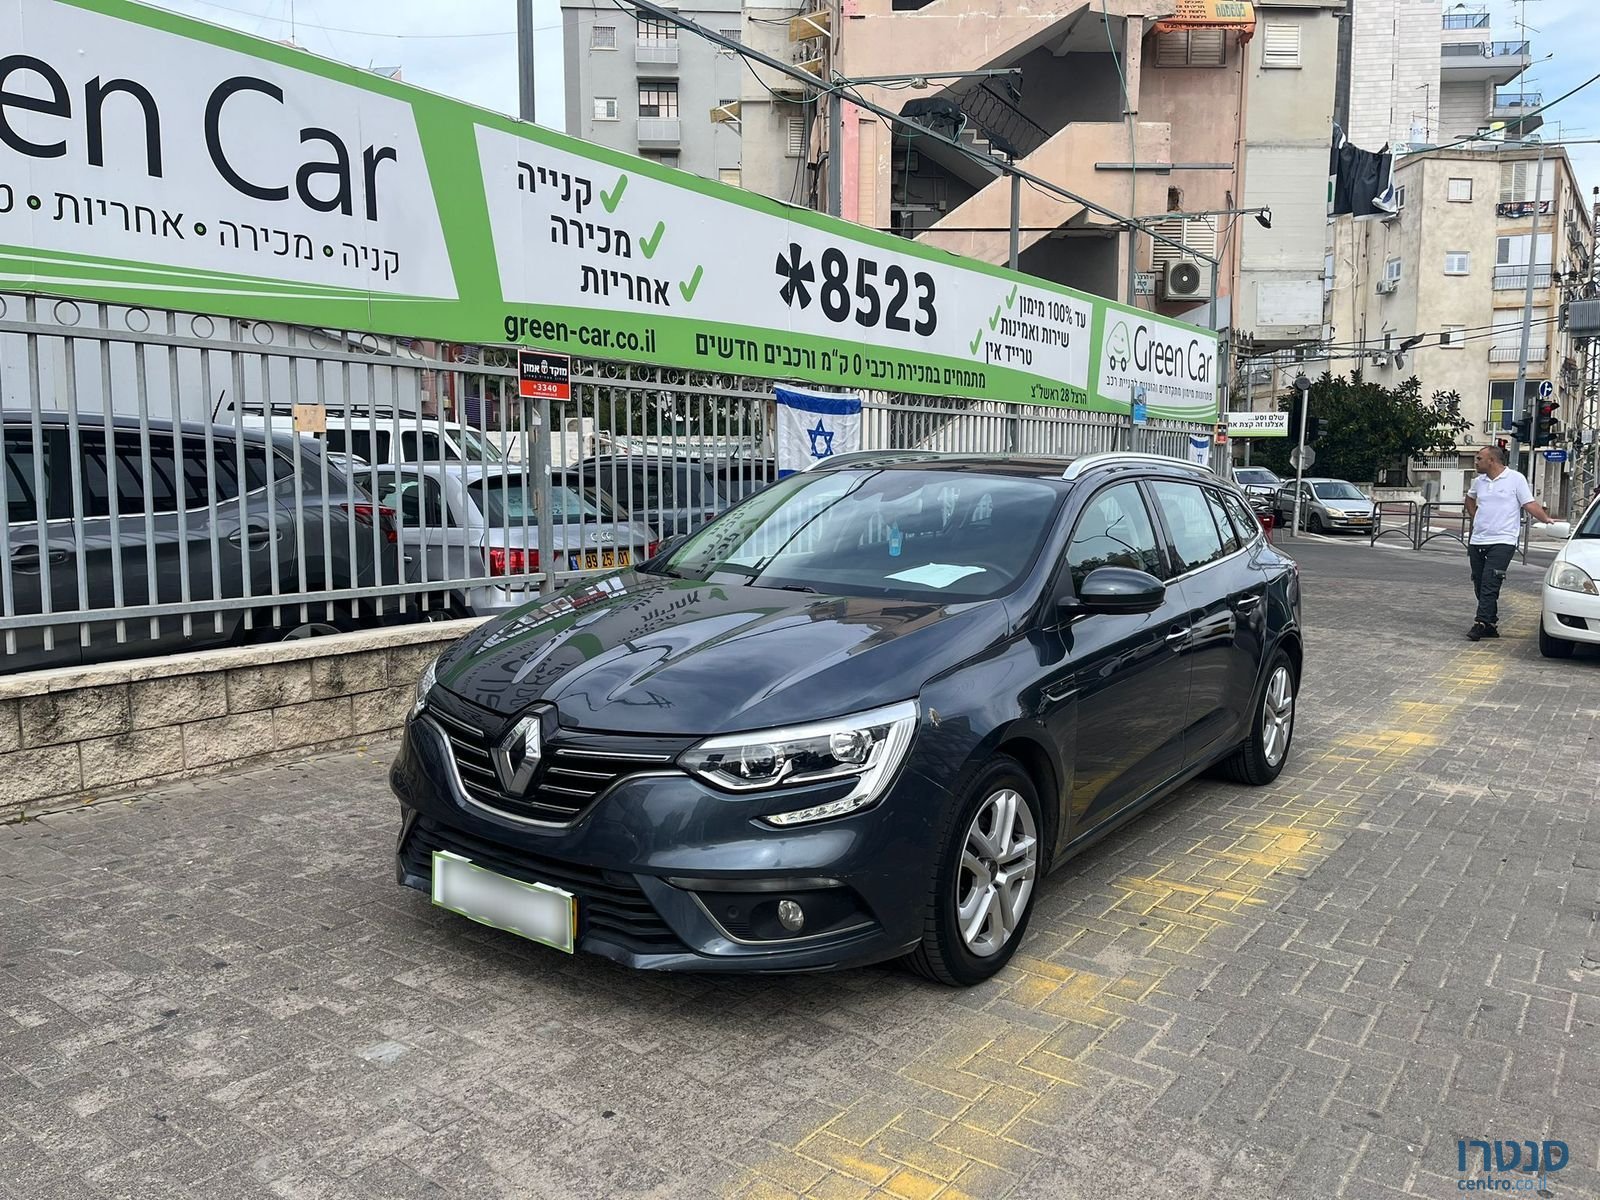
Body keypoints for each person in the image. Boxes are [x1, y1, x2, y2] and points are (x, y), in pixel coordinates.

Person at [1462, 445, 1559, 641]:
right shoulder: (1479, 481)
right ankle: (1490, 623)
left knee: (1491, 581)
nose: (1476, 462)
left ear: (1492, 460)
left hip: (1503, 540)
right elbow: (1470, 499)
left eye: (1479, 458)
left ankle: (1480, 622)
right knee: (1479, 582)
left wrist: (1545, 519)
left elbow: (1528, 503)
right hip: (1478, 539)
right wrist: (1475, 516)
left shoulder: (1515, 479)